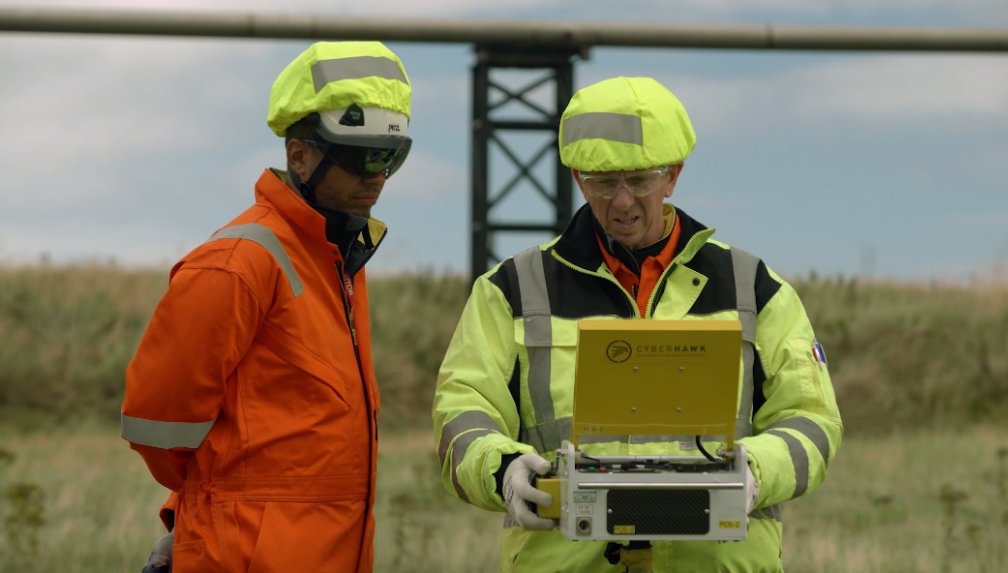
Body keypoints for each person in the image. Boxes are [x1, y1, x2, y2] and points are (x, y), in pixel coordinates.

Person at [432, 76, 842, 572]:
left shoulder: (752, 288)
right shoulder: (511, 290)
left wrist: (755, 472)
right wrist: (501, 469)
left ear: (673, 175)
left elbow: (812, 420)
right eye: (603, 183)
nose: (622, 202)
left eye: (640, 180)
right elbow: (462, 410)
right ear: (578, 179)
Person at [120, 40, 412, 573]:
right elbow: (156, 426)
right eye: (359, 156)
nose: (377, 175)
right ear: (299, 155)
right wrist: (221, 509)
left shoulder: (338, 260)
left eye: (390, 156)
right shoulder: (237, 262)